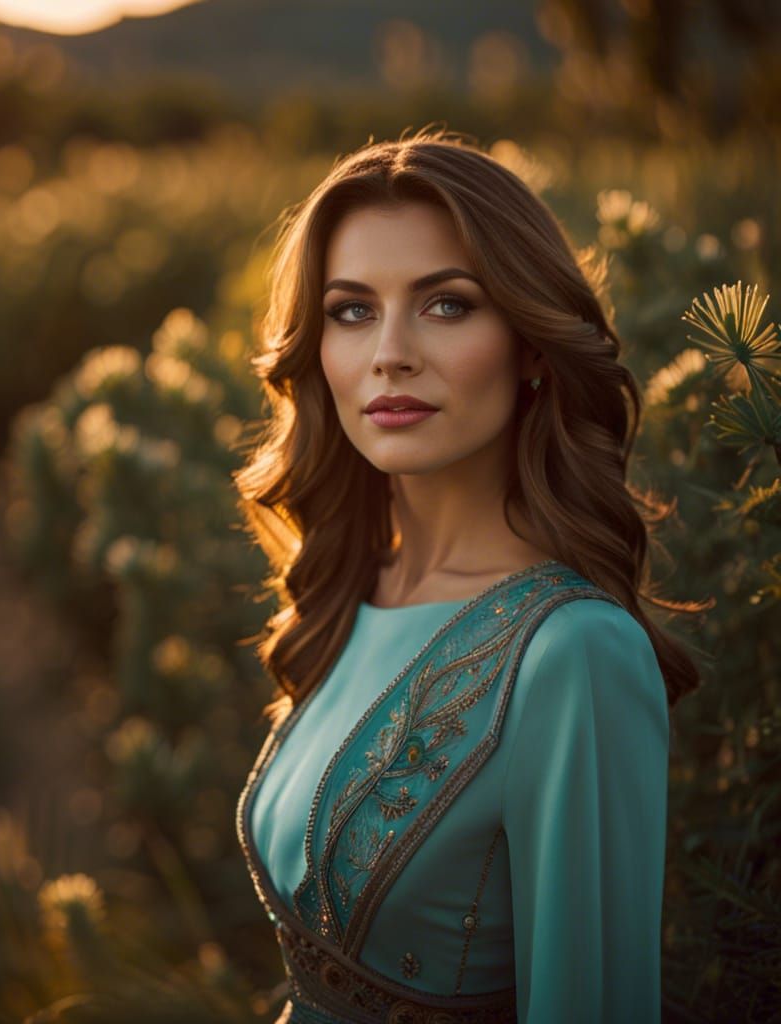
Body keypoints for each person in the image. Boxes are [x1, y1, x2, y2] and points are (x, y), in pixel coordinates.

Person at [231, 129, 704, 1023]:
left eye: (446, 306)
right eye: (351, 310)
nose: (391, 353)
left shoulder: (575, 655)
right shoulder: (355, 583)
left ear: (530, 344)